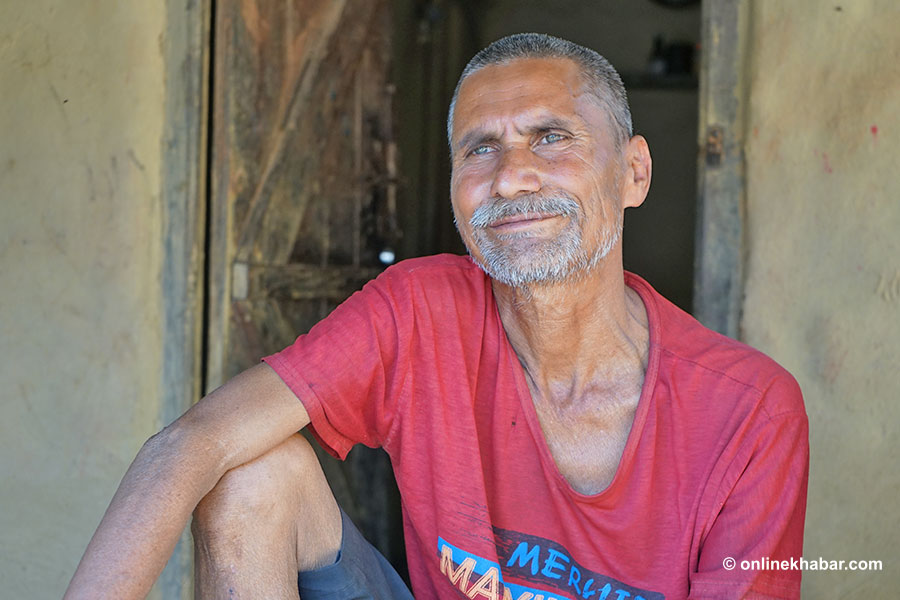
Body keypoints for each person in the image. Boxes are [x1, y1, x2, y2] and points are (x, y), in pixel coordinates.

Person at [66, 33, 808, 600]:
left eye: (550, 137)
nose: (512, 175)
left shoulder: (751, 412)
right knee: (250, 470)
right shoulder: (421, 310)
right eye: (479, 148)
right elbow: (190, 445)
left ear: (634, 172)